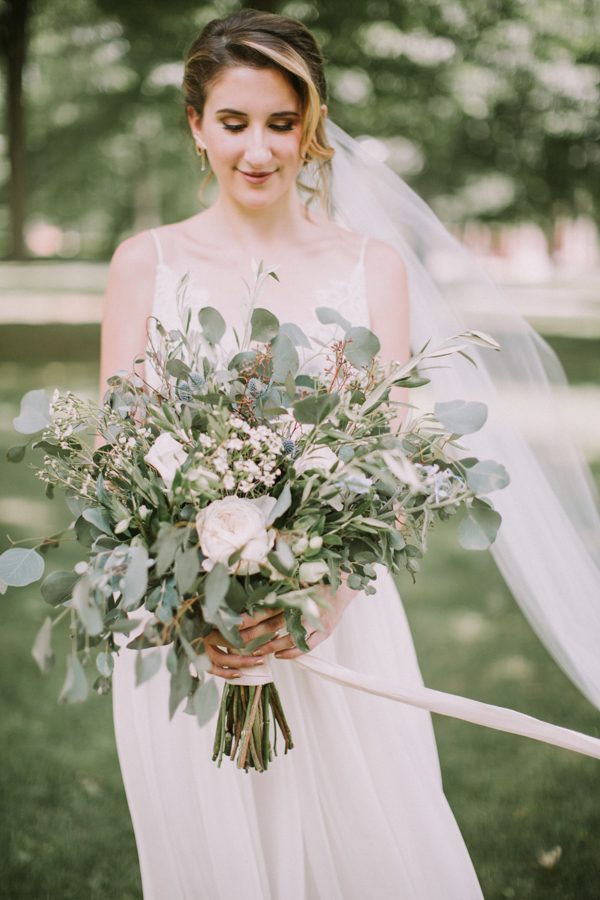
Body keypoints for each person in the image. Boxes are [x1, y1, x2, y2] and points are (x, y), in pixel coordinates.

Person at [100, 9, 600, 900]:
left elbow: (397, 456)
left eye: (282, 123)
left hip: (337, 623)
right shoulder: (146, 261)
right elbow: (117, 458)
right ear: (196, 125)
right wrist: (189, 606)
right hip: (182, 636)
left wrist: (323, 592)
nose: (259, 149)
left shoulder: (369, 267)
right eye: (234, 121)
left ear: (314, 125)